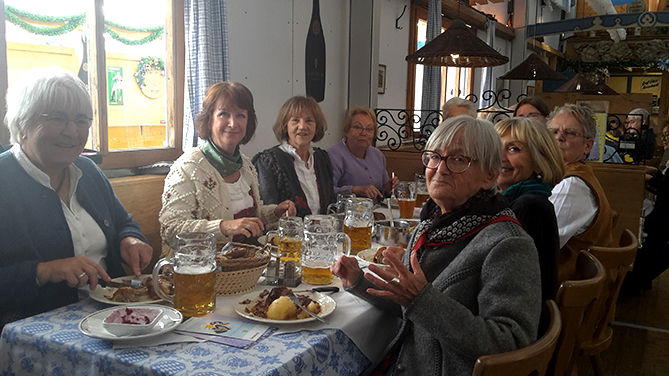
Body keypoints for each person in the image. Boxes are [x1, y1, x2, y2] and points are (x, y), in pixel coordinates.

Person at [331, 115, 541, 375]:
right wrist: (359, 280)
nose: (440, 168)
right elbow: (410, 302)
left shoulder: (508, 244)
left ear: (489, 175)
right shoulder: (434, 223)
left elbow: (511, 343)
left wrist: (422, 300)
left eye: (458, 159)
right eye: (434, 156)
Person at [0, 67, 152, 328]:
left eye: (81, 120)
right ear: (22, 123)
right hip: (36, 330)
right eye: (57, 119)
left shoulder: (88, 171)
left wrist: (131, 239)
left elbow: (123, 222)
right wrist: (44, 271)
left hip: (114, 316)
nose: (72, 131)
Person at [159, 82, 295, 250]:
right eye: (223, 114)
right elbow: (170, 230)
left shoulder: (246, 166)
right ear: (209, 120)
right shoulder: (187, 167)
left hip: (245, 266)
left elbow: (251, 220)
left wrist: (275, 213)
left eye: (240, 115)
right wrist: (223, 227)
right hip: (198, 270)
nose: (232, 123)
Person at [496, 117, 565, 301]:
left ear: (538, 161)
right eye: (496, 147)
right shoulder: (521, 199)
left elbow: (507, 280)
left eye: (513, 149)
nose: (500, 157)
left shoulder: (528, 207)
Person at [547, 104, 614, 281]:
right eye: (553, 132)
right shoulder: (573, 173)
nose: (559, 138)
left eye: (569, 133)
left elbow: (542, 244)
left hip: (564, 292)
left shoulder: (571, 185)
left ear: (587, 146)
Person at [253, 96, 335, 218]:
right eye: (295, 120)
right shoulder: (268, 161)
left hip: (323, 234)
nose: (302, 126)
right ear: (285, 126)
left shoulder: (322, 158)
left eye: (309, 121)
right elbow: (267, 214)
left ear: (316, 126)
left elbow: (331, 205)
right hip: (288, 236)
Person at [623, 123, 669, 292]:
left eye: (667, 136)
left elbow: (667, 189)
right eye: (662, 136)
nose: (663, 140)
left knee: (644, 227)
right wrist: (656, 173)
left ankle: (637, 278)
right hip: (662, 211)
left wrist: (650, 178)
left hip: (665, 217)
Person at [327, 106, 398, 199]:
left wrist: (389, 189)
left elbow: (383, 192)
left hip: (376, 210)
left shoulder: (378, 155)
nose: (364, 133)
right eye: (358, 127)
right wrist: (355, 190)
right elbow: (327, 192)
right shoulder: (332, 155)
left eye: (369, 129)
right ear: (347, 131)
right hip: (346, 212)